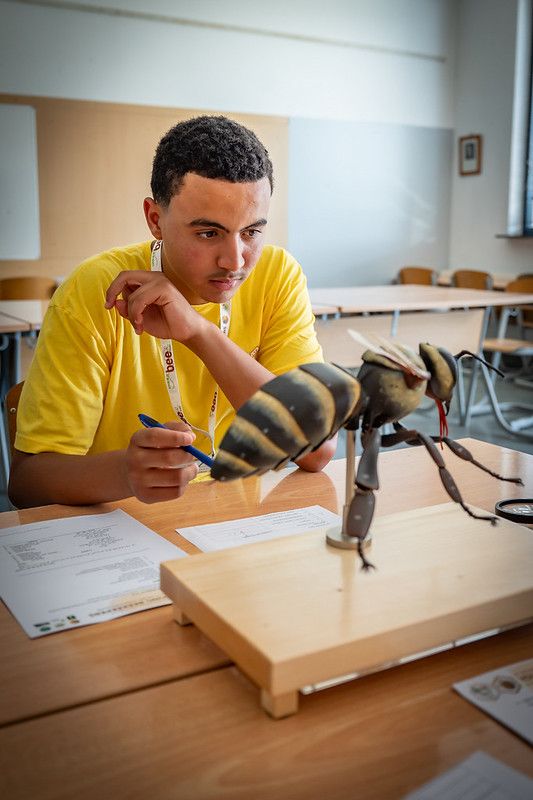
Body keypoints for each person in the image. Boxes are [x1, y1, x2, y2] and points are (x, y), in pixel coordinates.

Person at [9, 115, 336, 509]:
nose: (235, 260)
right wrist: (125, 472)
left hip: (241, 523)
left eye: (252, 232)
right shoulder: (96, 289)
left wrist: (199, 332)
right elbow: (28, 484)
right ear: (155, 220)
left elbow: (317, 451)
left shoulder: (278, 274)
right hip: (124, 525)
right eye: (208, 233)